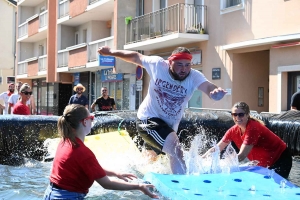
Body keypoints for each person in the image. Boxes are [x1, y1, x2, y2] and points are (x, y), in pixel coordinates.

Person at [98, 46, 227, 174]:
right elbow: (136, 56)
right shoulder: (158, 65)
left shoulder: (194, 76)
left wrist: (214, 92)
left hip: (169, 126)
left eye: (187, 65)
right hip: (148, 119)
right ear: (170, 62)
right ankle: (182, 186)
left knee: (150, 161)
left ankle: (135, 174)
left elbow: (208, 86)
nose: (184, 69)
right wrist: (111, 52)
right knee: (176, 150)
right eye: (179, 65)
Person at [43, 104, 158, 200]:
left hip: (51, 194)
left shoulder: (64, 142)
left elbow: (89, 168)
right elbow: (106, 184)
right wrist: (138, 186)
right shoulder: (82, 152)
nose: (93, 121)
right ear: (84, 122)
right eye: (91, 118)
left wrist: (115, 173)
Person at [202, 102, 292, 179]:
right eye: (234, 114)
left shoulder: (253, 128)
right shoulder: (233, 131)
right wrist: (202, 159)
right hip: (265, 164)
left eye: (241, 114)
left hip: (280, 159)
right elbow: (217, 148)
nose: (237, 117)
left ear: (248, 114)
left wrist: (223, 166)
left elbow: (241, 156)